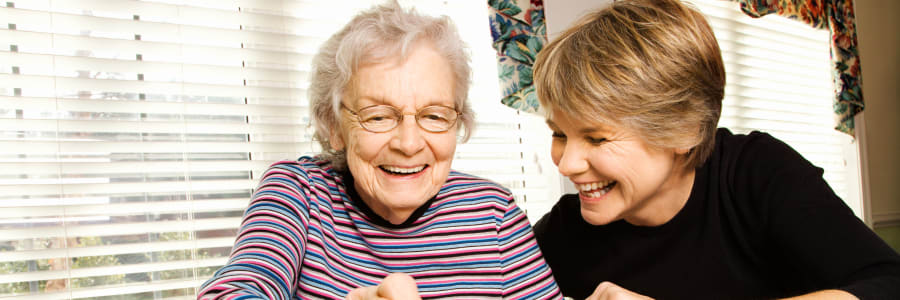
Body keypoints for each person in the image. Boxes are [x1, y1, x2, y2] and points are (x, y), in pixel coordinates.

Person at [530, 0, 900, 299]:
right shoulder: (564, 232)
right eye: (559, 134)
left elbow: (886, 281)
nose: (567, 164)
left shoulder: (757, 173)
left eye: (596, 138)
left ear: (684, 130)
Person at [197, 1, 561, 299]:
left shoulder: (493, 212)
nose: (408, 143)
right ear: (334, 127)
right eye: (378, 116)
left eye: (434, 115)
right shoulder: (298, 192)